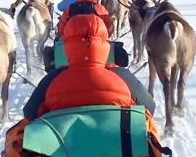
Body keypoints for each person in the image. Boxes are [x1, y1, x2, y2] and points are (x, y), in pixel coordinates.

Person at [24, 12, 153, 120]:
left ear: (67, 45)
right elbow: (149, 108)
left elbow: (29, 114)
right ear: (105, 44)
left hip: (63, 149)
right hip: (119, 149)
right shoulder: (122, 76)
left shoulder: (52, 79)